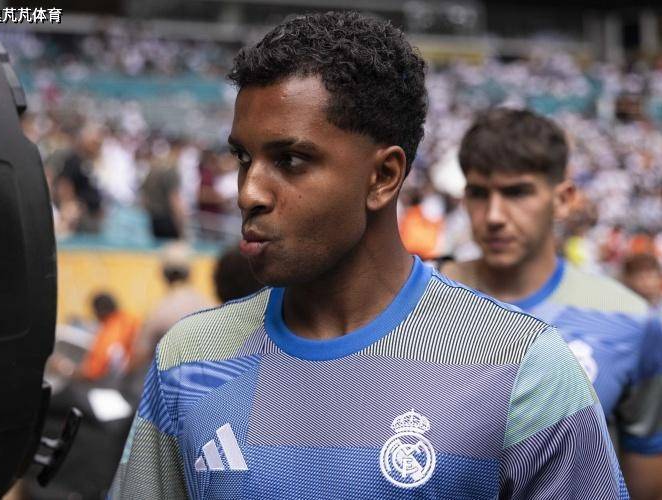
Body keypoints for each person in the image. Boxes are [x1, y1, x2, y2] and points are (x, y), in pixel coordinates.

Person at [111, 12, 627, 499]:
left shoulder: (522, 367)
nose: (248, 192)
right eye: (244, 158)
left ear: (383, 177)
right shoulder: (190, 357)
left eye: (290, 160)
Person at [439, 108, 662, 499]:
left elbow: (643, 479)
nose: (494, 216)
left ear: (563, 199)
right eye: (478, 193)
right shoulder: (415, 300)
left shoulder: (631, 321)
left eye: (517, 192)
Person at [79, 292, 140, 381]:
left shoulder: (111, 331)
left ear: (99, 312)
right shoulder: (131, 319)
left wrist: (70, 372)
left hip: (123, 379)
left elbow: (94, 369)